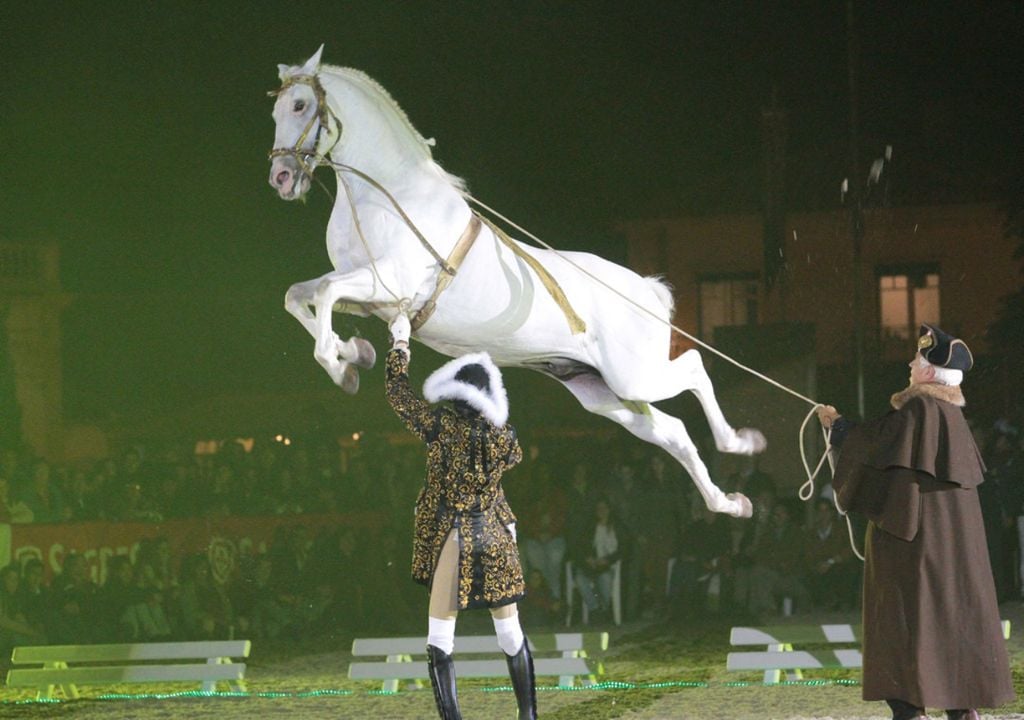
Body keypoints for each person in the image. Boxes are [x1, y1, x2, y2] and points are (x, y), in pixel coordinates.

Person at [817, 323, 1014, 720]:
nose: (910, 362)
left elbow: (875, 450)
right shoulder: (952, 418)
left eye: (917, 358)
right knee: (952, 621)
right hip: (950, 555)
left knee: (905, 623)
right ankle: (961, 709)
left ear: (928, 373)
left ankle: (911, 709)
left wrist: (837, 427)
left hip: (912, 553)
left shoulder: (920, 409)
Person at [384, 314, 536, 720]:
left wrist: (400, 345)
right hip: (496, 532)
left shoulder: (441, 428)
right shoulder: (506, 438)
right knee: (509, 631)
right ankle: (529, 715)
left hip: (456, 534)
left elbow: (398, 395)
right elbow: (515, 457)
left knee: (440, 638)